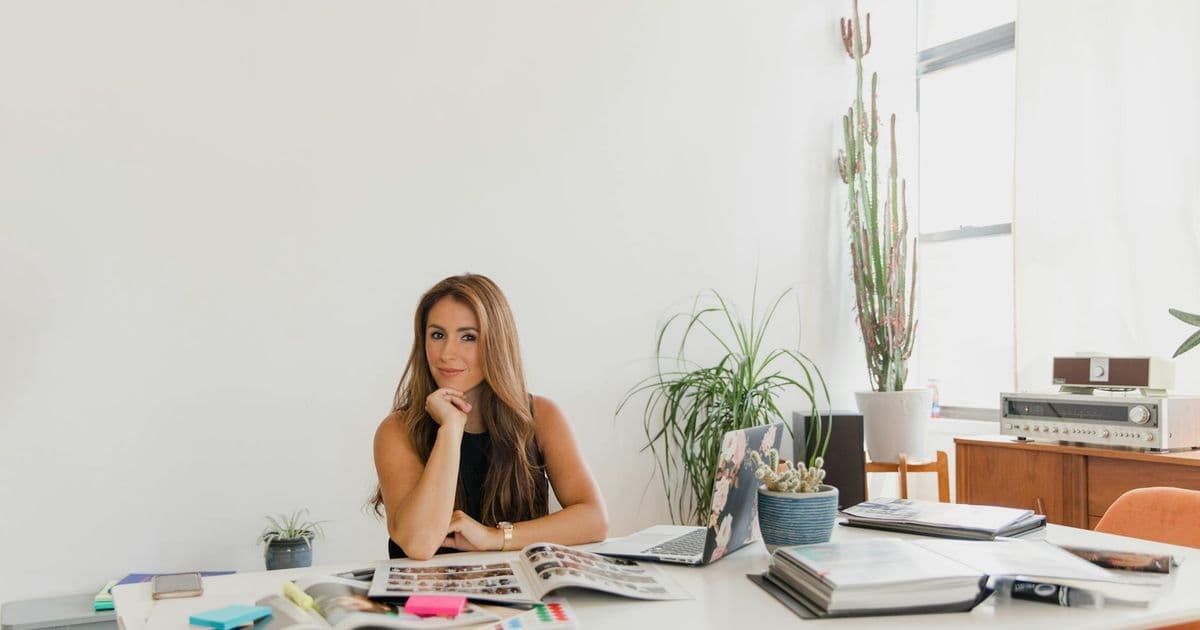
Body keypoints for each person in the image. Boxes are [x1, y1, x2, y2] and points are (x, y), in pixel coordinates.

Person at [370, 273, 608, 560]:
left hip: (514, 596)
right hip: (428, 601)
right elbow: (419, 544)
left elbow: (594, 520)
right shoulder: (397, 430)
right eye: (437, 335)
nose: (447, 353)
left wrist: (494, 537)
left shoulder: (541, 416)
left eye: (468, 337)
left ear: (496, 343)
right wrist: (451, 428)